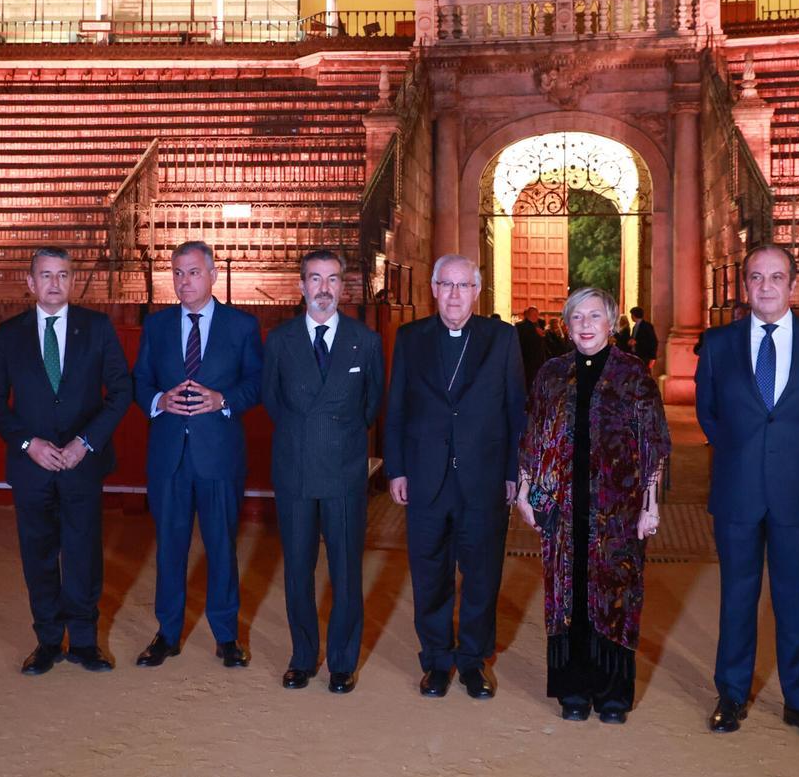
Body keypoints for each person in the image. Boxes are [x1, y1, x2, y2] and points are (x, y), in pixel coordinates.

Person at [695, 244, 799, 746]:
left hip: (797, 492)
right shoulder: (718, 343)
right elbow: (709, 414)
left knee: (795, 600)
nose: (765, 286)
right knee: (737, 597)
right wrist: (746, 454)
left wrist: (793, 455)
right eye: (756, 277)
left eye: (776, 277)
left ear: (793, 285)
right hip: (737, 491)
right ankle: (731, 695)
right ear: (745, 286)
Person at [516, 287, 670, 724]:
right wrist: (526, 490)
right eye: (576, 316)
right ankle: (574, 691)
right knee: (567, 594)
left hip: (618, 507)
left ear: (612, 322)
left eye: (594, 316)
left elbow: (653, 442)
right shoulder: (551, 372)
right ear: (567, 323)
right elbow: (532, 433)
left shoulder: (633, 373)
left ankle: (613, 695)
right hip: (563, 505)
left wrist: (650, 505)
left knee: (617, 593)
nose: (585, 324)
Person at [0, 246, 133, 675]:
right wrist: (29, 443)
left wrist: (87, 442)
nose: (54, 283)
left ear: (72, 280)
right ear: (30, 283)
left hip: (82, 463)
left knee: (83, 553)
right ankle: (47, 641)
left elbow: (121, 391)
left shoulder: (97, 327)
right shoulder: (10, 333)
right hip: (32, 466)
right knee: (38, 553)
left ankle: (85, 642)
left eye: (62, 275)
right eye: (45, 275)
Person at [384, 254, 526, 700]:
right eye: (446, 285)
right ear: (432, 288)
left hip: (484, 479)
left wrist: (511, 472)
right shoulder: (410, 338)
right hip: (426, 477)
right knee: (430, 573)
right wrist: (397, 468)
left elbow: (515, 411)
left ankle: (473, 662)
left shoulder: (501, 338)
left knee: (482, 574)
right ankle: (437, 661)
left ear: (477, 292)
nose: (454, 294)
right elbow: (397, 408)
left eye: (463, 286)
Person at [132, 240, 264, 669]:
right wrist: (159, 402)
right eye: (177, 273)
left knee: (221, 546)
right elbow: (140, 382)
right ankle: (167, 633)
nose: (184, 282)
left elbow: (257, 383)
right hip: (169, 455)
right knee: (169, 546)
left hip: (219, 457)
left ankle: (226, 636)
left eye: (192, 273)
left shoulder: (242, 326)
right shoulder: (155, 325)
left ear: (212, 275)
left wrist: (223, 399)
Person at [262, 250, 385, 694]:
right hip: (294, 472)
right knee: (297, 568)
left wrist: (338, 438)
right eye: (315, 279)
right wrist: (304, 435)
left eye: (333, 280)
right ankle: (301, 657)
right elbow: (273, 402)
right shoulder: (279, 341)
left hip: (344, 472)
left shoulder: (365, 341)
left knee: (347, 570)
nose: (324, 290)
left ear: (344, 287)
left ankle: (342, 661)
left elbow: (371, 405)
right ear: (301, 286)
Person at [516, 305, 547, 391]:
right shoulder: (521, 327)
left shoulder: (539, 325)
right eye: (535, 314)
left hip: (537, 359)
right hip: (527, 360)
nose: (537, 316)